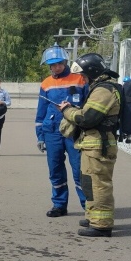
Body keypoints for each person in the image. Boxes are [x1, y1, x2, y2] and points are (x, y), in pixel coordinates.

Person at [59, 53, 121, 238]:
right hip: (92, 145)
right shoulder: (100, 88)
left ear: (92, 72)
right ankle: (93, 217)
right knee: (88, 183)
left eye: (85, 76)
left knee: (99, 184)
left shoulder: (104, 91)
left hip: (99, 147)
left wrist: (67, 110)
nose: (83, 79)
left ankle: (101, 225)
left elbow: (87, 118)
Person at [35, 44, 88, 217]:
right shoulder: (46, 84)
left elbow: (89, 105)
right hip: (52, 132)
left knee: (79, 169)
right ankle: (59, 205)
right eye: (53, 65)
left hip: (74, 131)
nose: (56, 67)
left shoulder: (80, 79)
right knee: (55, 169)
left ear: (65, 62)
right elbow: (41, 112)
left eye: (59, 63)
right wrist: (40, 136)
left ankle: (88, 206)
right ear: (49, 66)